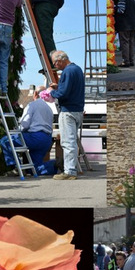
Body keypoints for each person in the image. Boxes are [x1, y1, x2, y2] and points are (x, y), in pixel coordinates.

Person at [0, 86, 56, 175]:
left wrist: (16, 131)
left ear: (35, 94)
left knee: (6, 140)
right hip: (46, 139)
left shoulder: (32, 105)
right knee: (33, 169)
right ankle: (54, 165)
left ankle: (15, 167)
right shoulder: (49, 109)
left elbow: (25, 124)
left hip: (35, 137)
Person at [49, 51, 85, 181]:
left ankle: (70, 171)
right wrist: (59, 87)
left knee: (68, 142)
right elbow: (71, 89)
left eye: (55, 62)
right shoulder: (77, 69)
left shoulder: (67, 71)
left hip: (68, 110)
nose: (55, 65)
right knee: (72, 141)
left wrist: (52, 93)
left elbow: (64, 93)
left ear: (61, 60)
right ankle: (71, 168)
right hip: (78, 110)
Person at [115, 0, 135, 67]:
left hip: (124, 25)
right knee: (131, 43)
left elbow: (120, 10)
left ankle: (126, 61)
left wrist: (114, 7)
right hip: (133, 25)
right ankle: (131, 60)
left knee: (125, 43)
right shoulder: (133, 0)